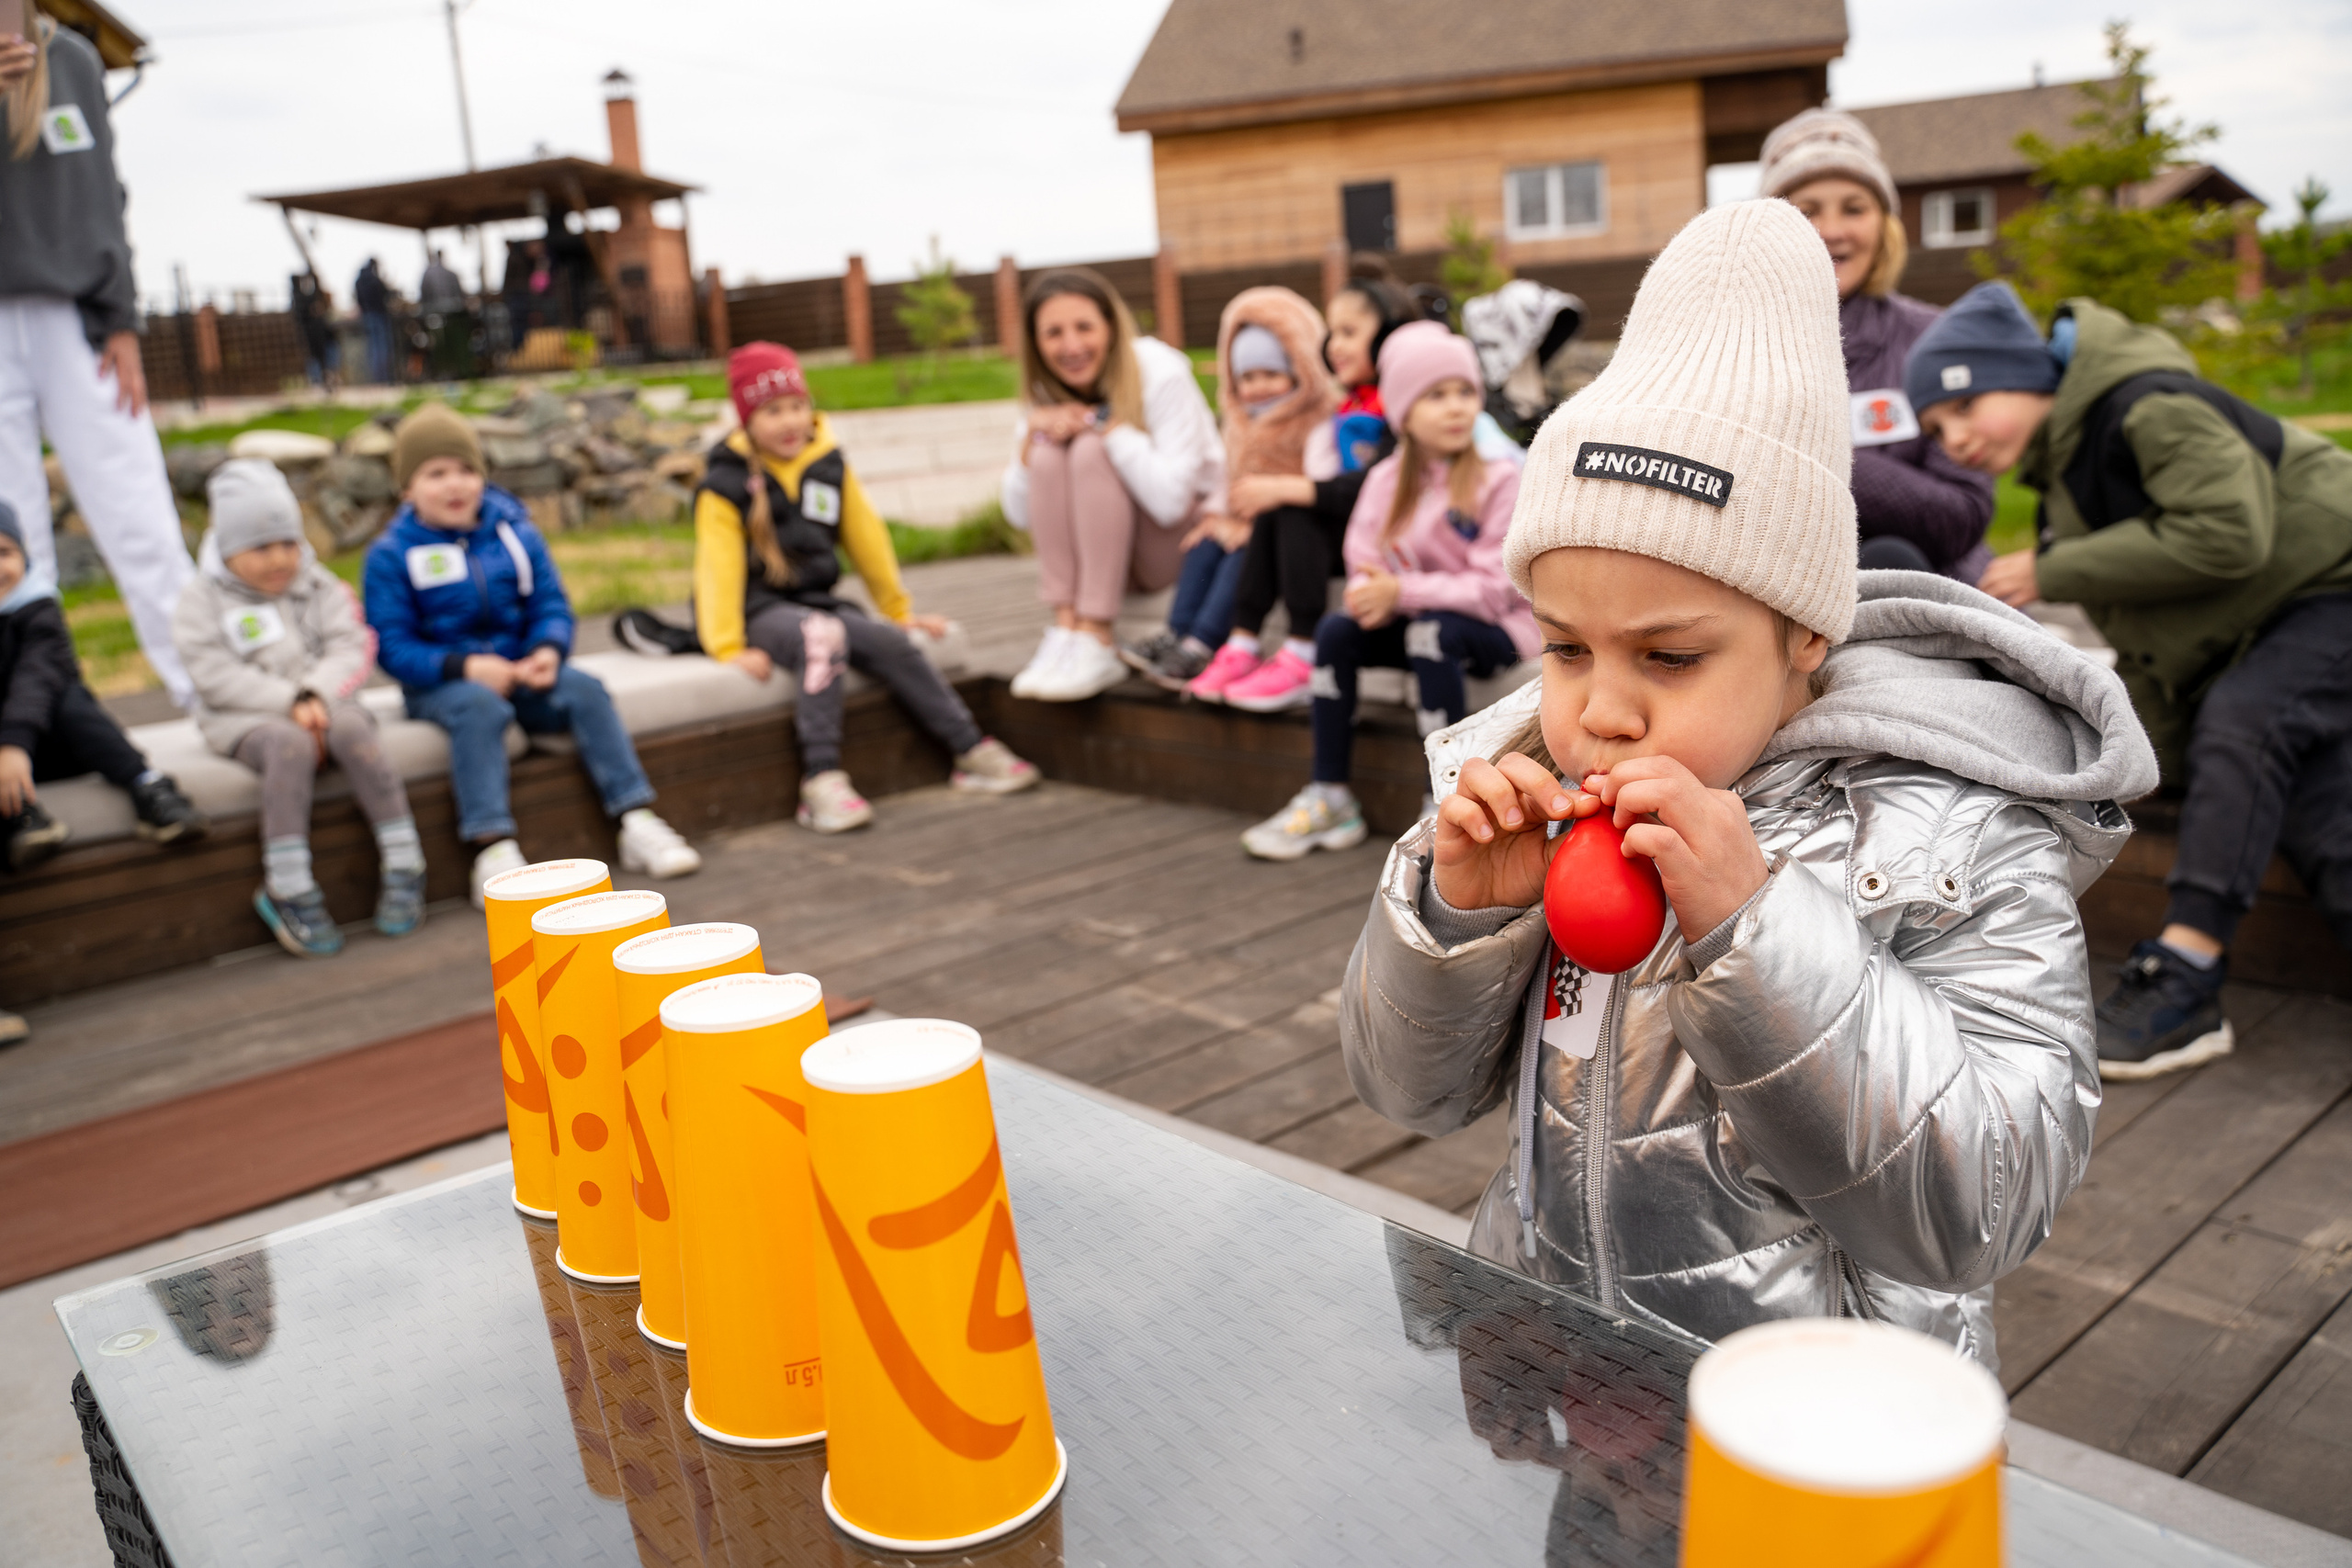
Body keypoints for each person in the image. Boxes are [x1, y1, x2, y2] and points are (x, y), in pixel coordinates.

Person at [1340, 199, 2159, 1363]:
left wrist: (1757, 933)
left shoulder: (1952, 833)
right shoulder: (1531, 777)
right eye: (1564, 647)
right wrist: (1454, 912)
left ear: (1805, 635)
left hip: (1827, 1426)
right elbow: (1406, 1096)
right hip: (1576, 1378)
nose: (1600, 709)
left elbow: (1983, 1202)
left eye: (1668, 656)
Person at [1908, 280, 2352, 1078]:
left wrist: (2053, 567)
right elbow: (2153, 645)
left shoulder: (2146, 403)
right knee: (2318, 811)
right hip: (2270, 634)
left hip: (2333, 586)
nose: (1955, 440)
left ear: (2025, 373)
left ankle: (2185, 977)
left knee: (2247, 723)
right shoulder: (2065, 485)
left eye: (1965, 407)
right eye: (1937, 430)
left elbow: (2231, 534)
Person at [363, 404, 701, 903]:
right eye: (436, 474)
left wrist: (547, 650)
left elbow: (550, 604)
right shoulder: (391, 555)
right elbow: (390, 646)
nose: (455, 484)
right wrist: (466, 668)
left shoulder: (515, 531)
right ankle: (492, 848)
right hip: (442, 684)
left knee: (585, 690)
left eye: (466, 470)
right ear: (407, 489)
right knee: (481, 709)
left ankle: (635, 817)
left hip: (522, 669)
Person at [695, 343, 1038, 832]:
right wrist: (726, 644)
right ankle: (821, 780)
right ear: (746, 419)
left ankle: (969, 748)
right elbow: (716, 568)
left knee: (892, 643)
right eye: (772, 411)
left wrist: (898, 610)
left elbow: (867, 538)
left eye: (797, 405)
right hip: (758, 611)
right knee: (822, 637)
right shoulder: (724, 485)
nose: (790, 421)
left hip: (816, 601)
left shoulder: (828, 466)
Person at [1240, 321, 1532, 860]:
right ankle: (1330, 795)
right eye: (1436, 395)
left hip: (1493, 632)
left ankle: (1442, 800)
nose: (1456, 408)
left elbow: (1495, 589)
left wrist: (1400, 591)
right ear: (1402, 411)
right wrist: (1369, 596)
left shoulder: (1498, 479)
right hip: (1422, 619)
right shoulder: (1383, 481)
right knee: (1336, 630)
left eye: (1465, 392)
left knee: (1430, 632)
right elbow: (1364, 563)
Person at [0, 12, 197, 708]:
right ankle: (36, 723)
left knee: (140, 510)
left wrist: (121, 318)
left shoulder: (75, 58)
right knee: (11, 537)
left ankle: (210, 694)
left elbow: (103, 198)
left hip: (75, 316)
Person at [174, 460, 424, 957]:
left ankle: (404, 860)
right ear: (227, 549)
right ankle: (287, 884)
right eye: (261, 548)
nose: (280, 559)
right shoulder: (202, 600)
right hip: (245, 717)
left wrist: (314, 695)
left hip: (326, 705)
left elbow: (349, 645)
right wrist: (288, 703)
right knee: (288, 747)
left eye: (289, 543)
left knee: (357, 733)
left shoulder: (318, 585)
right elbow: (212, 673)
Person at [1759, 107, 1996, 581]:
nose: (1832, 231)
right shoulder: (1737, 347)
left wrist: (1824, 460)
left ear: (1883, 225)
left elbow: (1963, 516)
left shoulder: (1935, 339)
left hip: (1924, 597)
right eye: (1806, 211)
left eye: (1854, 208)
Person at [1190, 274, 1416, 706]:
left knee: (1292, 504)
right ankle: (1242, 641)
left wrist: (1287, 486)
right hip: (1358, 531)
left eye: (1350, 332)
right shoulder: (1352, 402)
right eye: (1333, 332)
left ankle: (1302, 649)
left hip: (1394, 537)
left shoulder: (1400, 404)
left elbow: (1375, 487)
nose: (1334, 344)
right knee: (1278, 509)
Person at [1001, 267, 1224, 702]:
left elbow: (1171, 502)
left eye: (1085, 327)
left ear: (1110, 326)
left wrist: (1104, 427)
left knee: (1089, 450)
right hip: (1101, 560)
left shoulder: (1160, 371)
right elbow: (1019, 514)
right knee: (1048, 450)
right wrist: (1031, 438)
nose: (1071, 346)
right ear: (1035, 343)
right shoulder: (1044, 392)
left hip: (1178, 547)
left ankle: (1098, 636)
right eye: (1053, 333)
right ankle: (1067, 629)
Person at [1122, 288, 1340, 690]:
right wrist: (1216, 517)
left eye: (1271, 374)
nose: (1258, 388)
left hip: (1285, 530)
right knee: (1205, 543)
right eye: (1247, 378)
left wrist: (1252, 521)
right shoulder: (1240, 424)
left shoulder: (1314, 423)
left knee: (1241, 551)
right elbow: (1229, 476)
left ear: (1300, 371)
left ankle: (1202, 644)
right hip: (1242, 518)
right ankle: (1178, 631)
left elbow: (1317, 484)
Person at [0, 496, 204, 875]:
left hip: (47, 745)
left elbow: (38, 676)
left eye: (4, 552)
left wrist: (12, 743)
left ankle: (147, 785)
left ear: (24, 558)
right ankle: (18, 818)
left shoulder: (38, 610)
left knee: (67, 698)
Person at [355, 257, 393, 385]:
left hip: (367, 316)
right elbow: (386, 294)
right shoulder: (375, 279)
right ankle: (384, 378)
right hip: (379, 314)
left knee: (372, 347)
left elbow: (358, 299)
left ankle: (376, 378)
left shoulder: (359, 280)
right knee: (382, 346)